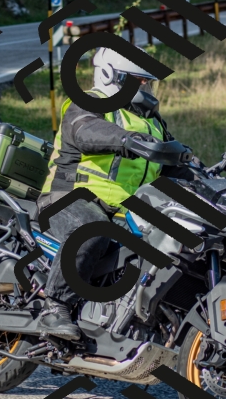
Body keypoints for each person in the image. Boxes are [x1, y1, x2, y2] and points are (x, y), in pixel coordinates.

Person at [35, 46, 191, 340]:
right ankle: (54, 308)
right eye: (139, 79)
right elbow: (86, 131)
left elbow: (176, 165)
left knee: (169, 245)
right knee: (92, 230)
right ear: (111, 75)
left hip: (123, 211)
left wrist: (209, 175)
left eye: (148, 81)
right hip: (70, 198)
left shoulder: (153, 123)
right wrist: (127, 140)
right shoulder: (89, 103)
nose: (145, 86)